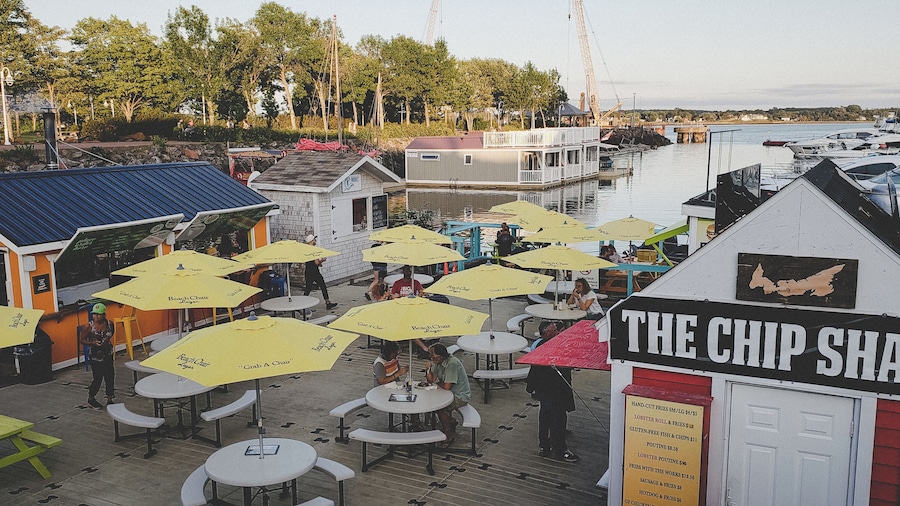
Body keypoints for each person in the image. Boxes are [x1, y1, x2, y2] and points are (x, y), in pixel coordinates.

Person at [525, 321, 580, 463]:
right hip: (554, 390)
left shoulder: (540, 345)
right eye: (555, 331)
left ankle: (545, 446)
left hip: (545, 389)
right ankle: (560, 450)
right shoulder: (551, 347)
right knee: (557, 419)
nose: (558, 333)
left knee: (545, 417)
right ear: (548, 333)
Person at [425, 343, 470, 448]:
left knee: (440, 408)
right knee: (432, 402)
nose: (431, 358)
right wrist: (428, 370)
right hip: (447, 394)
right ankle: (450, 421)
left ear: (441, 356)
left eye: (433, 356)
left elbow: (447, 386)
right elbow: (431, 380)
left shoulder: (452, 363)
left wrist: (438, 384)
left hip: (460, 396)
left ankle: (448, 434)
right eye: (430, 355)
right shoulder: (437, 362)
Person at [79, 303, 116, 408]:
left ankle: (109, 399)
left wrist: (106, 342)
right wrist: (93, 343)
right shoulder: (88, 326)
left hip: (107, 353)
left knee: (110, 376)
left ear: (104, 314)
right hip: (95, 356)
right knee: (98, 378)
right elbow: (82, 340)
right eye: (94, 314)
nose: (96, 316)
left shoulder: (110, 324)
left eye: (99, 314)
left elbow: (111, 333)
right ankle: (91, 399)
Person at [303, 234, 338, 310]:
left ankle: (302, 303)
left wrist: (319, 263)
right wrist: (322, 260)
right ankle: (327, 303)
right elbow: (316, 262)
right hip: (314, 272)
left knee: (308, 288)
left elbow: (311, 263)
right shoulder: (313, 250)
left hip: (308, 272)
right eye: (314, 240)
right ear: (311, 241)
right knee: (323, 286)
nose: (315, 241)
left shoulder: (306, 250)